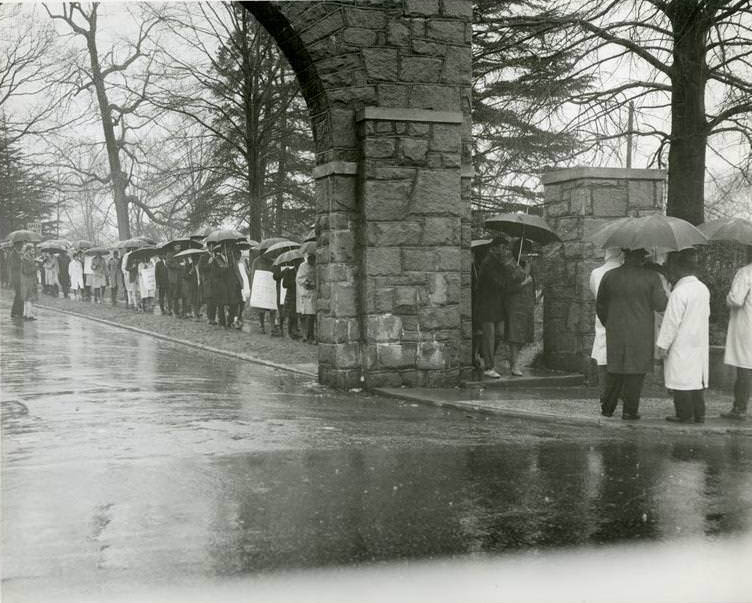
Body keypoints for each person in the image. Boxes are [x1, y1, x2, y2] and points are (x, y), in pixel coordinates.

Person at [596, 248, 668, 420]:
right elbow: (660, 304)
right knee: (636, 372)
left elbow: (600, 305)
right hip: (641, 331)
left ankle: (607, 408)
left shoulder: (610, 276)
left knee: (615, 369)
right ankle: (630, 411)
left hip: (616, 329)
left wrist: (610, 323)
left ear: (625, 256)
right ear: (642, 258)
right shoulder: (651, 277)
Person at [656, 249, 710, 424]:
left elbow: (671, 322)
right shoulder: (702, 289)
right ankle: (699, 413)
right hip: (698, 340)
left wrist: (663, 345)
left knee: (680, 379)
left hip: (681, 341)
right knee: (695, 379)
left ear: (679, 270)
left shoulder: (679, 293)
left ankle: (683, 414)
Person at [476, 239, 522, 378]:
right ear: (495, 248)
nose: (505, 251)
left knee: (500, 333)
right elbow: (499, 283)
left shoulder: (499, 263)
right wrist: (512, 279)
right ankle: (489, 367)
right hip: (487, 304)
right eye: (502, 247)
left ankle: (485, 357)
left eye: (506, 248)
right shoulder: (488, 263)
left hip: (497, 305)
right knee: (489, 336)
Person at [720, 251, 752, 421]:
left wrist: (728, 297)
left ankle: (739, 408)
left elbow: (737, 299)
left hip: (747, 326)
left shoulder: (745, 272)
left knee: (745, 367)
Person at [589, 248, 624, 388]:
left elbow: (594, 292)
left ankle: (604, 394)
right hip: (621, 317)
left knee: (602, 354)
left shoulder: (596, 273)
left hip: (602, 315)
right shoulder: (624, 272)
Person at [503, 238, 537, 376]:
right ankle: (514, 364)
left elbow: (532, 283)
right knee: (515, 336)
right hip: (515, 304)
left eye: (529, 252)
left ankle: (513, 361)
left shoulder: (527, 265)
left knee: (524, 335)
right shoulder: (511, 265)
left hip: (526, 304)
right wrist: (525, 280)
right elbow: (508, 287)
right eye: (524, 252)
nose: (527, 255)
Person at [250, 251, 278, 335]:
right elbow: (253, 275)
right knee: (261, 309)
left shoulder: (273, 262)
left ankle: (273, 328)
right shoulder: (256, 261)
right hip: (261, 289)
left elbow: (275, 274)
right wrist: (253, 287)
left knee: (272, 308)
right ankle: (261, 326)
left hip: (270, 289)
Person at [296, 253, 317, 343]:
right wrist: (306, 282)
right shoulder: (302, 266)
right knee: (307, 315)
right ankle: (307, 336)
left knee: (313, 315)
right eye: (310, 259)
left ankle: (311, 335)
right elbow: (298, 279)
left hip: (314, 292)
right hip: (305, 293)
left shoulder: (317, 266)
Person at [20, 244, 38, 320]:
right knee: (30, 298)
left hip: (28, 280)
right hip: (28, 280)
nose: (33, 251)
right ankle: (29, 315)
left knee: (27, 298)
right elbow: (27, 271)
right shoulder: (26, 259)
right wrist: (36, 266)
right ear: (28, 250)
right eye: (32, 250)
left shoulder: (28, 258)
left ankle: (25, 314)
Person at [166, 244, 184, 317]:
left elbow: (184, 263)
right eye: (177, 246)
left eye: (180, 247)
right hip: (173, 277)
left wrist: (183, 265)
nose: (178, 248)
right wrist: (178, 265)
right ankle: (174, 311)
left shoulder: (182, 254)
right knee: (174, 295)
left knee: (180, 294)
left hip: (180, 277)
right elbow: (168, 263)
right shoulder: (170, 254)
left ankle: (180, 310)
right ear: (174, 247)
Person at [8, 241, 24, 318]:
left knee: (20, 295)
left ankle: (19, 312)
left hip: (20, 277)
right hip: (16, 277)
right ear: (17, 245)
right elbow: (14, 265)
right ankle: (15, 312)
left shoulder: (18, 254)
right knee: (18, 295)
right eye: (21, 245)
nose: (22, 246)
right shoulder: (13, 254)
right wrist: (21, 262)